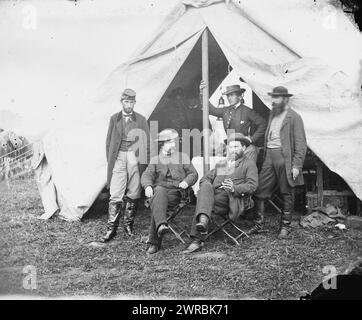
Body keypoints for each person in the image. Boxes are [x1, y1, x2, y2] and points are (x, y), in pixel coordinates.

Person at [182, 132, 258, 254]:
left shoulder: (248, 164)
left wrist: (235, 188)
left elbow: (252, 186)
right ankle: (202, 223)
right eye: (231, 147)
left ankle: (198, 237)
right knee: (205, 189)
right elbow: (205, 178)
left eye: (236, 147)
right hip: (214, 196)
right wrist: (207, 186)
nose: (233, 150)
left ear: (243, 148)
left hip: (231, 199)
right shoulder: (223, 163)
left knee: (203, 198)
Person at [253, 86, 307, 239]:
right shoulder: (272, 114)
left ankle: (285, 226)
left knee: (287, 191)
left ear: (285, 99)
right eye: (273, 98)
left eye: (276, 98)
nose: (273, 101)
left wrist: (296, 165)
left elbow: (301, 144)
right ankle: (258, 224)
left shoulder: (294, 117)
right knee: (260, 189)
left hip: (285, 157)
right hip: (269, 155)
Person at [102, 88, 150, 242]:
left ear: (135, 103)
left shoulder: (141, 120)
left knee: (134, 191)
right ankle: (111, 229)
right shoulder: (114, 118)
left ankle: (128, 225)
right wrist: (112, 159)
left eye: (131, 102)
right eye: (126, 101)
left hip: (134, 157)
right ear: (121, 102)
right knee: (116, 192)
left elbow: (147, 142)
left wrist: (143, 161)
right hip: (119, 157)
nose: (129, 105)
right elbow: (109, 142)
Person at [141, 129, 198, 254]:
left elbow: (193, 174)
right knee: (159, 192)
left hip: (176, 193)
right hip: (159, 191)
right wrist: (148, 186)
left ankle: (154, 242)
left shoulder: (182, 157)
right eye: (169, 142)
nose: (173, 145)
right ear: (162, 144)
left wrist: (186, 182)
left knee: (157, 202)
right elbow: (146, 175)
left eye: (173, 142)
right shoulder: (155, 159)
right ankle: (161, 225)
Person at [200, 81, 267, 162]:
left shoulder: (247, 111)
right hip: (230, 147)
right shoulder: (225, 111)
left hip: (244, 148)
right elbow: (211, 110)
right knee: (226, 170)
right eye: (228, 96)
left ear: (239, 96)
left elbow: (263, 124)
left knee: (243, 170)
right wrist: (202, 93)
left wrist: (252, 139)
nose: (229, 98)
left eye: (232, 95)